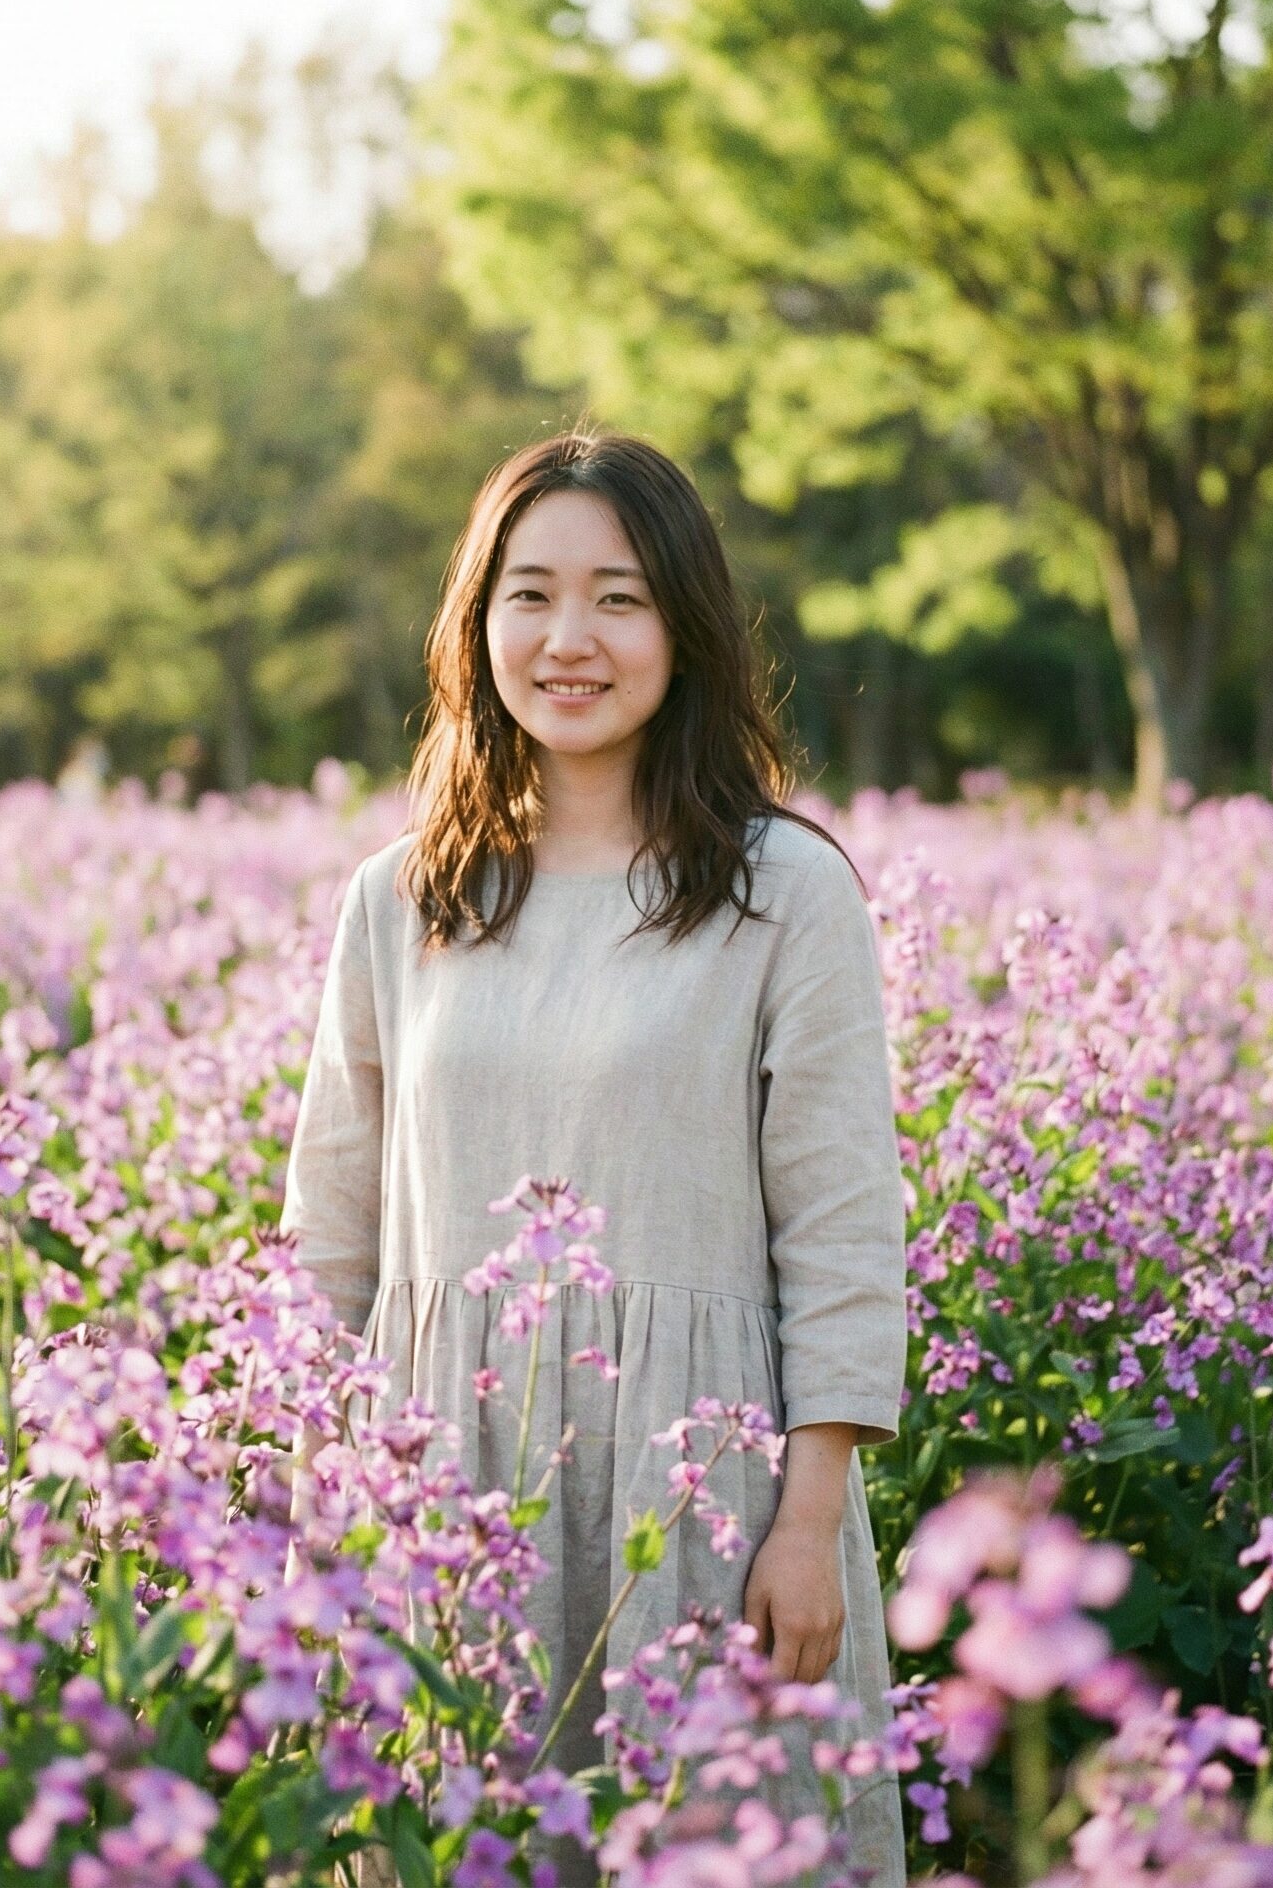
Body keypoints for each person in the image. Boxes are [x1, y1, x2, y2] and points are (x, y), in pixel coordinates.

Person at [279, 426, 909, 1887]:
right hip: (441, 1489)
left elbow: (841, 1231)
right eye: (532, 593)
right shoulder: (400, 898)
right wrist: (310, 1500)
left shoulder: (784, 891)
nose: (572, 639)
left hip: (697, 1497)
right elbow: (330, 1228)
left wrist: (805, 1526)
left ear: (685, 629)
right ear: (476, 621)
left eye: (619, 598)